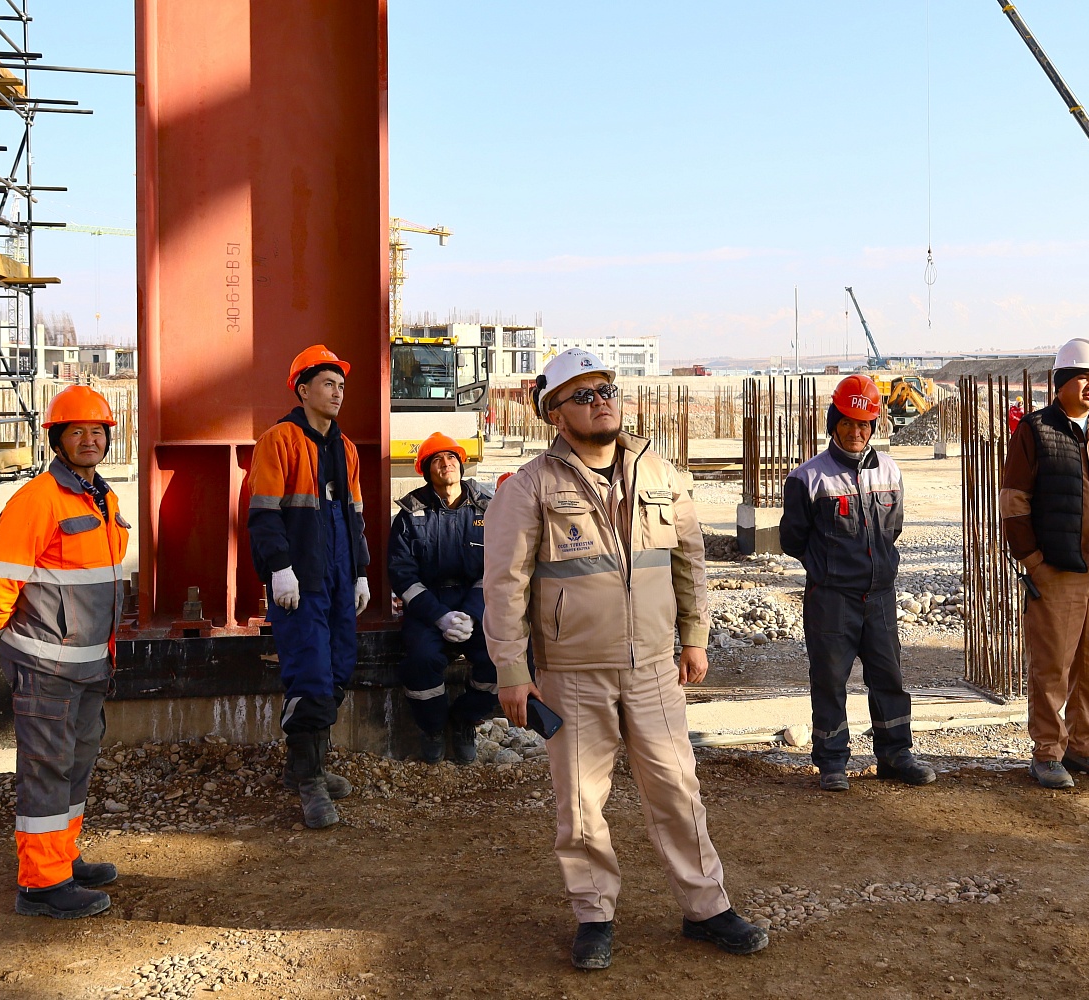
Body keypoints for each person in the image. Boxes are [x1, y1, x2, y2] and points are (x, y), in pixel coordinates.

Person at [483, 348, 767, 971]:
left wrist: (694, 635)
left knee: (676, 788)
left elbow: (689, 561)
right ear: (555, 416)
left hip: (653, 669)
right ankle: (593, 915)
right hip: (572, 672)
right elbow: (504, 585)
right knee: (582, 802)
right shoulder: (530, 487)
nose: (600, 400)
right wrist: (511, 670)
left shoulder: (660, 474)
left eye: (605, 388)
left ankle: (706, 907)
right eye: (581, 395)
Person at [0, 385, 128, 918]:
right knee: (46, 768)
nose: (90, 439)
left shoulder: (101, 498)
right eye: (78, 430)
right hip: (45, 666)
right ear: (58, 439)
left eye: (97, 430)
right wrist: (7, 639)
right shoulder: (38, 500)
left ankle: (61, 858)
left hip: (87, 665)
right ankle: (41, 886)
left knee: (75, 765)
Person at [779, 374, 935, 792]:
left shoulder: (890, 470)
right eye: (847, 422)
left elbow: (893, 528)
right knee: (830, 678)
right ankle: (831, 761)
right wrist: (829, 569)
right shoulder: (808, 478)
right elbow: (792, 538)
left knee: (888, 676)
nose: (855, 431)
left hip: (879, 596)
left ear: (873, 427)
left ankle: (895, 753)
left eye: (864, 424)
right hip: (831, 599)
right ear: (834, 423)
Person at [246, 345, 371, 829]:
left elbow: (354, 518)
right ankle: (310, 781)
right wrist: (279, 568)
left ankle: (305, 764)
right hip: (301, 582)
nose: (338, 393)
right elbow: (263, 514)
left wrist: (359, 572)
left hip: (339, 580)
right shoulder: (278, 441)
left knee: (339, 670)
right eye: (327, 384)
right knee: (311, 674)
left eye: (341, 385)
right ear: (303, 389)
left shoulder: (347, 450)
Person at [1001, 337, 1089, 789]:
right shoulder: (1036, 430)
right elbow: (1014, 502)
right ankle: (1047, 751)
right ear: (1061, 383)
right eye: (1083, 376)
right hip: (1057, 571)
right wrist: (1034, 562)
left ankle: (1083, 746)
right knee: (1053, 665)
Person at [389, 431, 499, 763]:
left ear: (461, 464)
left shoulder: (489, 507)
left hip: (477, 601)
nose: (446, 464)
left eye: (451, 457)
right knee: (421, 663)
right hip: (427, 605)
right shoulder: (409, 514)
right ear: (426, 470)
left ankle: (464, 720)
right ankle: (433, 728)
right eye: (436, 459)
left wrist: (470, 614)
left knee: (500, 659)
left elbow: (497, 566)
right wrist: (440, 616)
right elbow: (402, 574)